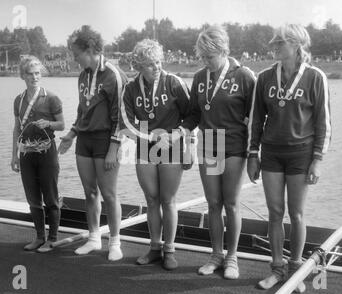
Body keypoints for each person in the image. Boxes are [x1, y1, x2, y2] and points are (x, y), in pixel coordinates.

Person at [247, 24, 331, 292]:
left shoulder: (316, 77)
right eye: (273, 42)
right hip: (271, 153)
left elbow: (323, 123)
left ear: (296, 45)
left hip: (301, 154)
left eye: (279, 42)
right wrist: (252, 154)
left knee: (296, 213)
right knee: (274, 213)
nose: (273, 46)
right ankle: (276, 268)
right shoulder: (265, 77)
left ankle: (295, 270)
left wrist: (317, 159)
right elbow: (256, 119)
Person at [179, 25, 256, 279]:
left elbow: (256, 117)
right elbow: (194, 113)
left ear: (223, 51)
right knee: (213, 204)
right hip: (209, 143)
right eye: (202, 57)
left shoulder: (244, 76)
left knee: (231, 203)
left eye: (209, 57)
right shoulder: (201, 77)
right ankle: (215, 255)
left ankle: (232, 257)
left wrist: (256, 151)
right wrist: (182, 130)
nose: (205, 62)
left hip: (234, 145)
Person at [120, 39, 192, 270]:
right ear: (139, 66)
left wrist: (184, 139)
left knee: (168, 200)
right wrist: (152, 138)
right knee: (151, 199)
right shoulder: (130, 89)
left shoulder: (174, 83)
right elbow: (125, 122)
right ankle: (153, 248)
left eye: (159, 62)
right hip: (145, 148)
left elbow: (192, 116)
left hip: (172, 147)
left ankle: (169, 250)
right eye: (151, 64)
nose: (157, 67)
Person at [58, 26, 128, 261]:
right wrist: (71, 134)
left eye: (75, 53)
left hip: (106, 140)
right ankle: (94, 239)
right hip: (85, 141)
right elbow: (82, 111)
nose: (73, 58)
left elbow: (121, 116)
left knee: (109, 194)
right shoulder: (83, 75)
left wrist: (114, 148)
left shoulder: (114, 75)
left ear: (89, 49)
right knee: (89, 193)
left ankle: (115, 243)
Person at [11, 56, 65, 252]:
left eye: (37, 73)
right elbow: (17, 129)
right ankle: (39, 237)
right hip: (26, 153)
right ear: (22, 76)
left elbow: (62, 125)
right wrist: (14, 155)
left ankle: (52, 238)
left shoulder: (51, 98)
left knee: (50, 196)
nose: (35, 77)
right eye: (30, 74)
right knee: (32, 198)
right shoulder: (18, 100)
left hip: (46, 151)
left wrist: (49, 124)